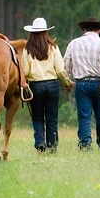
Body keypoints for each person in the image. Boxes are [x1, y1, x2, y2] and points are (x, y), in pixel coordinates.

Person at [22, 17, 74, 153]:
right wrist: (67, 83)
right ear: (46, 32)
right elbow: (60, 69)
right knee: (52, 118)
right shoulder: (53, 47)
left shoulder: (28, 50)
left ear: (32, 33)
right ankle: (52, 146)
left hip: (35, 86)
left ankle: (40, 142)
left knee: (38, 117)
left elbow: (25, 71)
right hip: (52, 85)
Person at [64, 17, 100, 151]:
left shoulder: (74, 43)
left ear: (84, 30)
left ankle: (85, 144)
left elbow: (66, 65)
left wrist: (67, 82)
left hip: (82, 84)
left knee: (84, 117)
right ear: (99, 30)